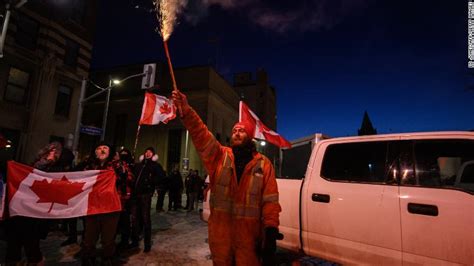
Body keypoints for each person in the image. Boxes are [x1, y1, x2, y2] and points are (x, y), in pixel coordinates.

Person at [172, 90, 282, 265]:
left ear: (250, 137)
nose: (237, 133)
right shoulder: (219, 156)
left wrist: (270, 230)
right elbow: (201, 134)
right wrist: (186, 111)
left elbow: (270, 201)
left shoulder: (263, 164)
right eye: (234, 130)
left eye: (241, 131)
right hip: (221, 238)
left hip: (249, 240)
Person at [5, 142, 65, 265]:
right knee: (14, 238)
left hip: (37, 211)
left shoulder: (57, 169)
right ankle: (13, 260)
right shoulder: (34, 163)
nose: (52, 152)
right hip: (23, 207)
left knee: (31, 240)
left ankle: (35, 261)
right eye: (50, 150)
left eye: (55, 151)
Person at [80, 142, 130, 265]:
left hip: (110, 207)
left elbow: (128, 179)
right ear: (95, 152)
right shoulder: (89, 167)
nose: (102, 150)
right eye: (99, 148)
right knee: (89, 237)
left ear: (110, 152)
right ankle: (88, 257)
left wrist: (120, 168)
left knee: (108, 238)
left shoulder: (117, 166)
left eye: (105, 148)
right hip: (93, 206)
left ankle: (107, 258)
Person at [131, 147, 166, 252]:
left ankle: (147, 243)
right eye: (146, 151)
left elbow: (162, 177)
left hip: (146, 195)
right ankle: (134, 241)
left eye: (150, 152)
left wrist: (151, 181)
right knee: (135, 219)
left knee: (146, 219)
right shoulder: (139, 165)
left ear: (153, 154)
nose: (148, 153)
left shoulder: (155, 166)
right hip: (135, 195)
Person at [115, 148, 135, 250]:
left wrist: (125, 174)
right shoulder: (114, 165)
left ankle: (124, 241)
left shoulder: (128, 166)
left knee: (125, 220)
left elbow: (131, 178)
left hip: (126, 197)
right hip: (114, 197)